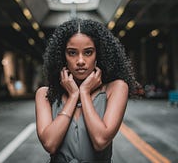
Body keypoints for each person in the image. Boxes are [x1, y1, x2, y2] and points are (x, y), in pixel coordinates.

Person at [35, 18, 138, 162]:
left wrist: (84, 92)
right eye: (72, 53)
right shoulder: (44, 94)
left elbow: (100, 140)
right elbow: (50, 144)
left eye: (88, 52)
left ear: (98, 55)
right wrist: (73, 96)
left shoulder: (116, 88)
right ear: (62, 57)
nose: (81, 61)